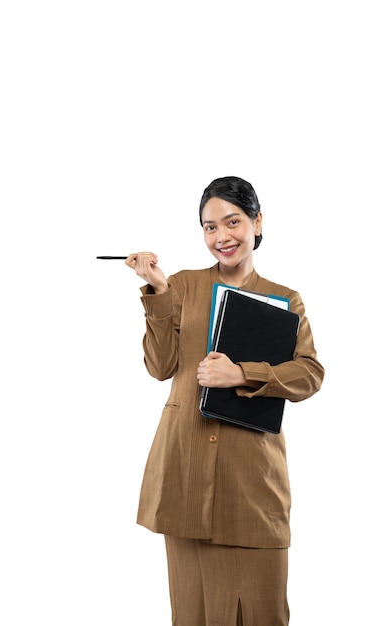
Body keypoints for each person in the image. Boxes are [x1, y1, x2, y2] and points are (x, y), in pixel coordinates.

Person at [125, 175, 324, 626]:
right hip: (185, 472)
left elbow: (310, 374)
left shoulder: (284, 299)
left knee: (261, 613)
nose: (221, 237)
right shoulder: (183, 286)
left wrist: (242, 374)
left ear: (256, 222)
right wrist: (157, 291)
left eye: (231, 222)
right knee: (192, 614)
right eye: (209, 227)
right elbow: (160, 366)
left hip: (251, 482)